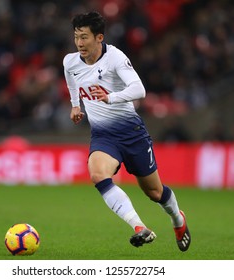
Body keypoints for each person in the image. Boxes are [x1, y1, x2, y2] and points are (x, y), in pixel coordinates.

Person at [63, 11, 191, 252]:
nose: (79, 43)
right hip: (103, 136)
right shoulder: (70, 62)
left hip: (132, 134)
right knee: (98, 175)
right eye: (76, 37)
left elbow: (139, 89)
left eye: (84, 37)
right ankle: (139, 227)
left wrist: (111, 97)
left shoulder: (115, 58)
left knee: (154, 192)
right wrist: (75, 105)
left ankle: (177, 219)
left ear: (99, 37)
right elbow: (71, 78)